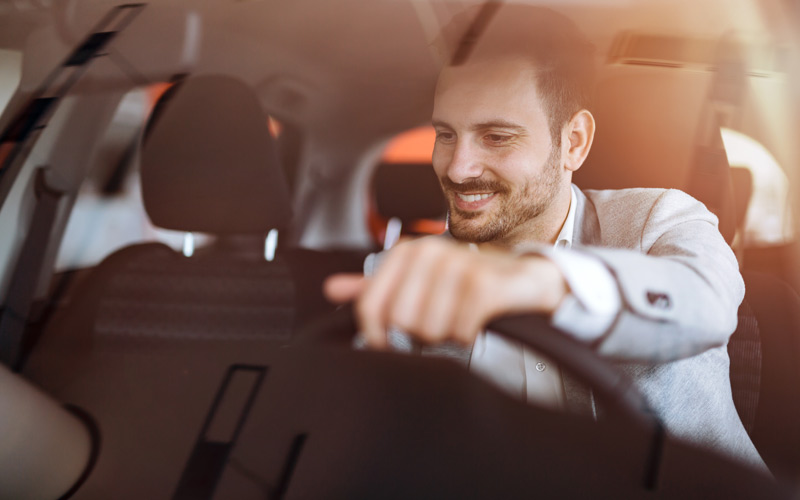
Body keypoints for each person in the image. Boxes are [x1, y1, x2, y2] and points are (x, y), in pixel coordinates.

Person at [324, 7, 765, 470]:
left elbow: (705, 304)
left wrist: (542, 281)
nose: (457, 168)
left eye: (496, 137)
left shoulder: (659, 220)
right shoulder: (403, 271)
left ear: (573, 141)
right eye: (446, 134)